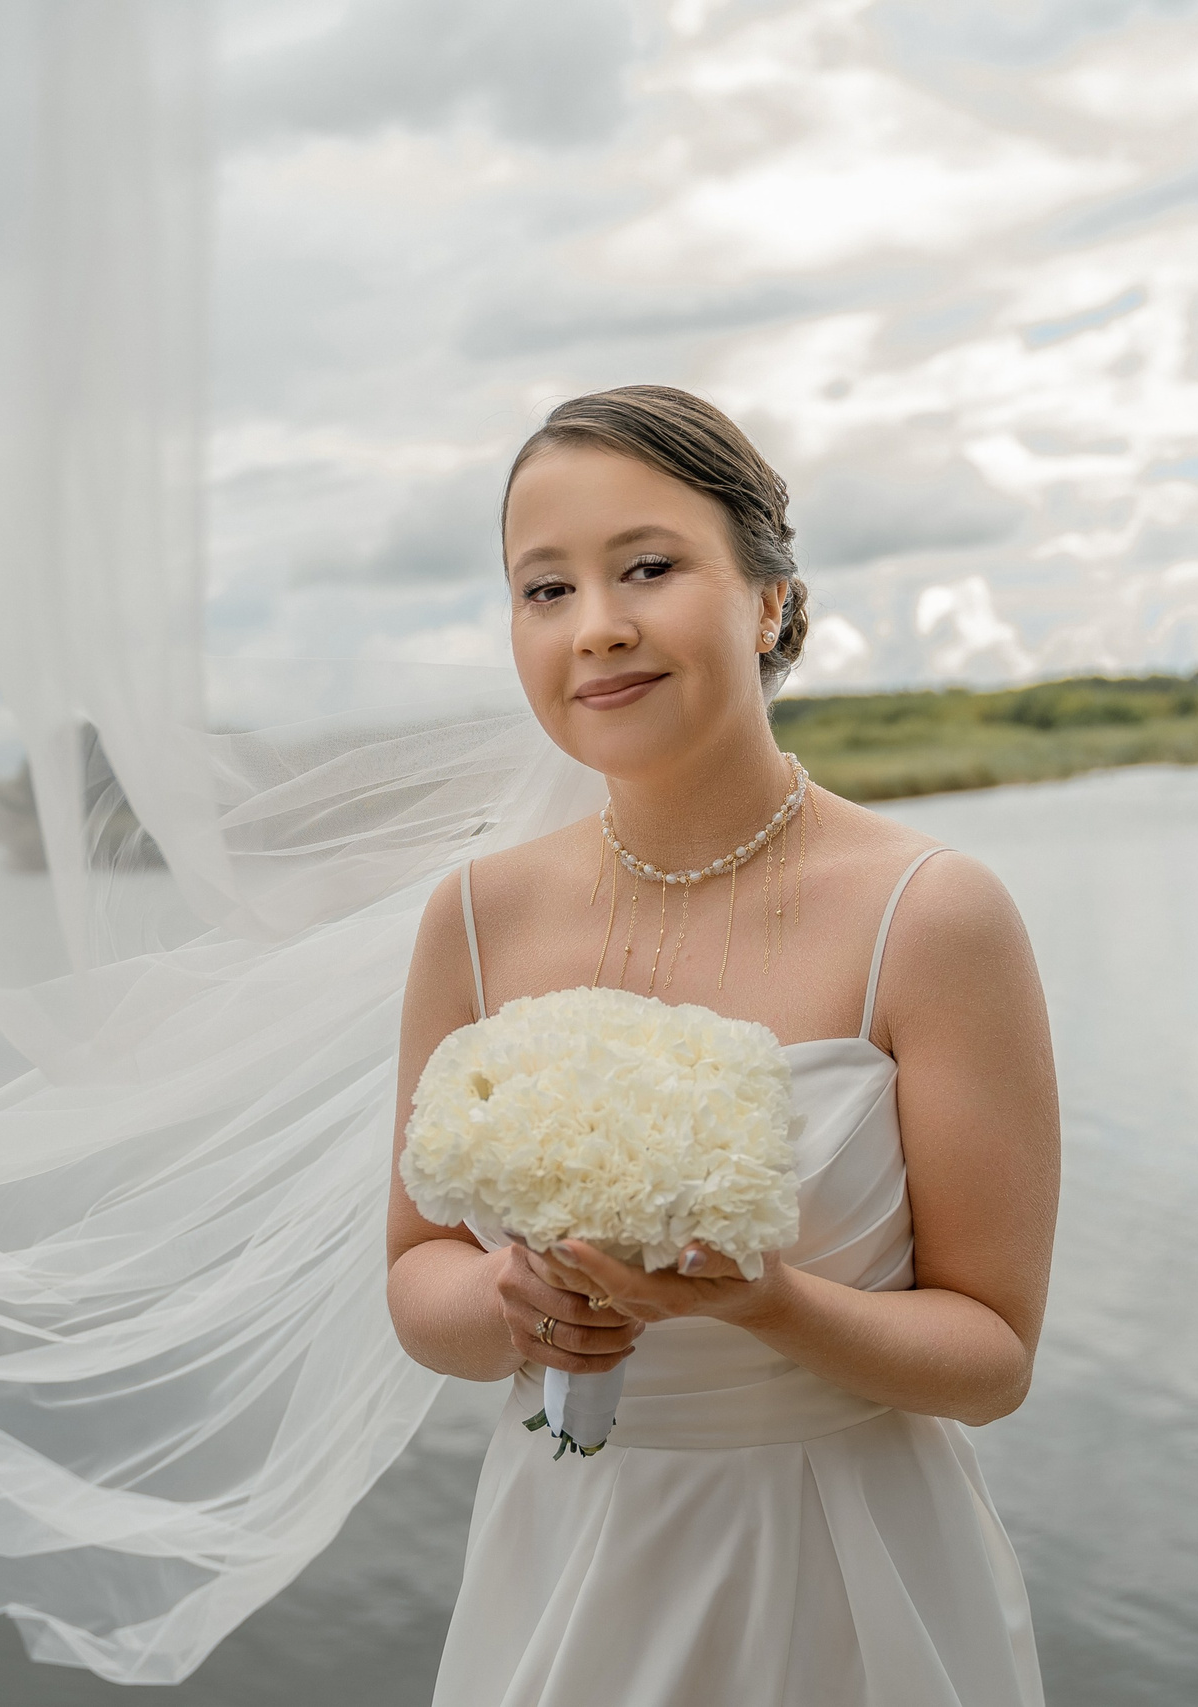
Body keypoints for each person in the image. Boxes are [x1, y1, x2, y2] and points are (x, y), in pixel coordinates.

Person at [385, 386, 1060, 1706]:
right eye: (544, 590)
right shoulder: (473, 917)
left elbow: (993, 1358)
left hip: (846, 1577)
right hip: (562, 1563)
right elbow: (417, 1280)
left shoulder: (931, 915)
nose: (598, 628)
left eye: (648, 566)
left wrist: (767, 1302)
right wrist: (509, 1306)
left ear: (766, 599)